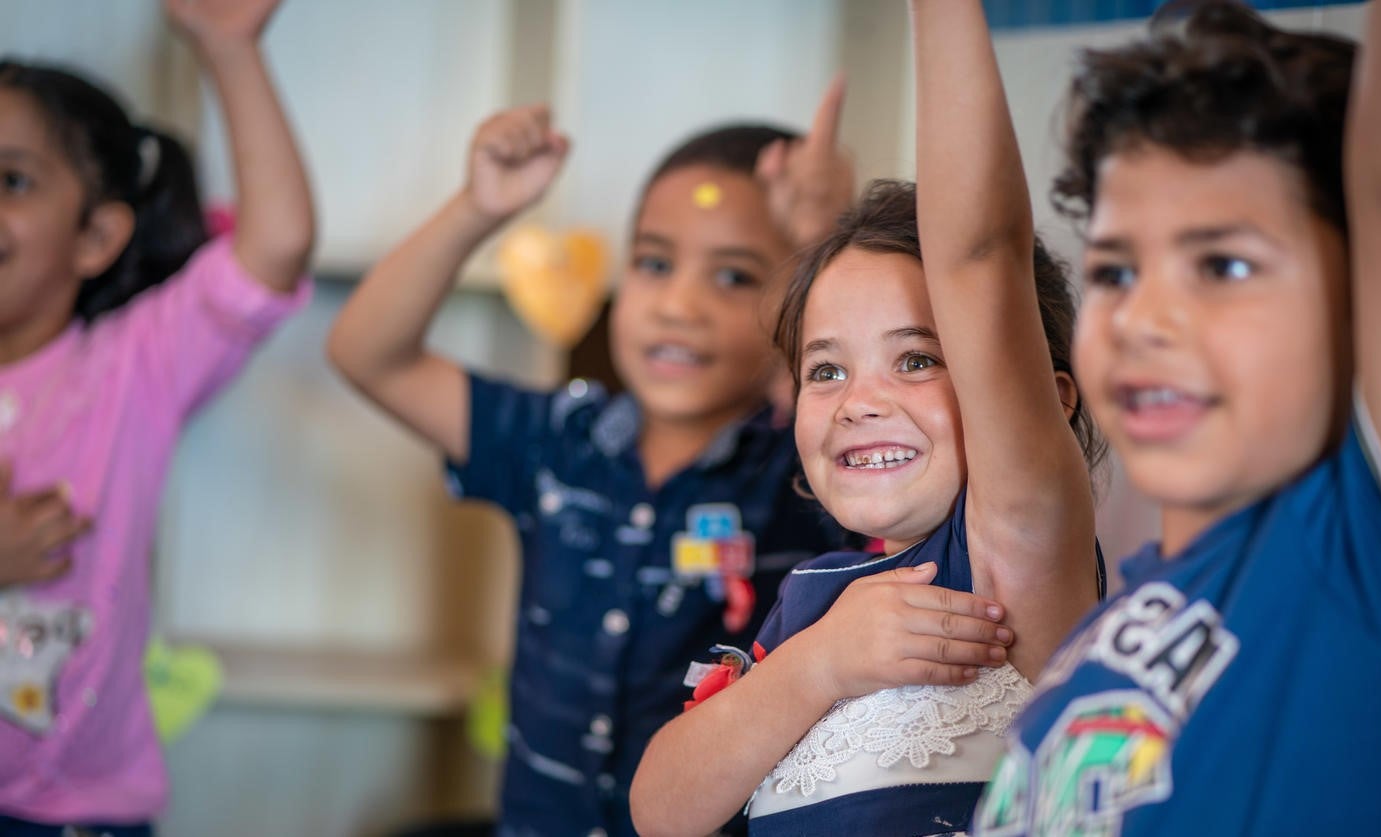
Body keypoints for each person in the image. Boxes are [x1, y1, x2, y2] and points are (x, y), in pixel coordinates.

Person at [974, 1, 1381, 833]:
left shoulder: (1367, 567)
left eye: (1223, 265)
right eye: (1117, 271)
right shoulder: (1115, 617)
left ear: (1374, 309)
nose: (1143, 316)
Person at [327, 86, 855, 835]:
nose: (679, 303)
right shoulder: (558, 441)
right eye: (653, 262)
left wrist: (826, 241)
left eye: (734, 276)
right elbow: (367, 353)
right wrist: (478, 208)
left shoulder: (812, 473)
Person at [631, 4, 1103, 833]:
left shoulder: (1013, 555)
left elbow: (980, 253)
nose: (858, 400)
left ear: (1051, 398)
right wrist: (818, 664)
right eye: (826, 369)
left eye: (917, 358)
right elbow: (661, 810)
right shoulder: (813, 605)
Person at [0, 0, 314, 833]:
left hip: (79, 814)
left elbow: (274, 248)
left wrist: (229, 50)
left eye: (12, 180)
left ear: (96, 237)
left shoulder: (128, 363)